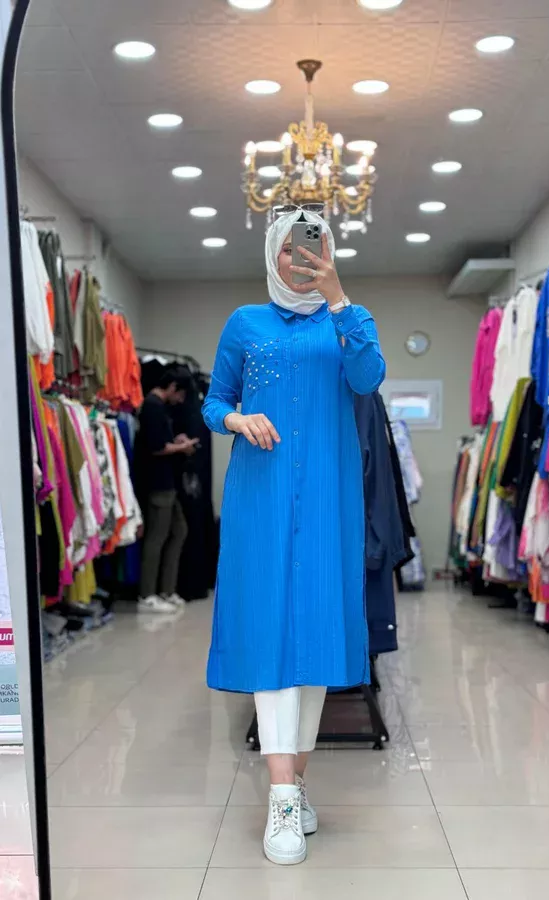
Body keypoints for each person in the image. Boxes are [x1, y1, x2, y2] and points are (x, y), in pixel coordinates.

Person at [202, 208, 386, 866]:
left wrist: (338, 298)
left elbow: (368, 378)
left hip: (329, 497)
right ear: (272, 255)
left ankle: (296, 782)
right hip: (262, 495)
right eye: (291, 249)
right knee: (269, 633)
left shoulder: (348, 321)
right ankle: (282, 797)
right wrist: (237, 419)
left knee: (315, 638)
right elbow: (213, 400)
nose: (302, 259)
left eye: (315, 248)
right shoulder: (244, 323)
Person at [137, 366, 198, 613]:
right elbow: (156, 447)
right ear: (173, 387)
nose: (180, 400)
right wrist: (182, 447)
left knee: (179, 530)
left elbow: (162, 442)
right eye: (180, 394)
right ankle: (147, 594)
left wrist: (177, 442)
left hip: (167, 481)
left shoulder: (159, 408)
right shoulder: (152, 406)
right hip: (157, 482)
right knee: (157, 537)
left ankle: (166, 589)